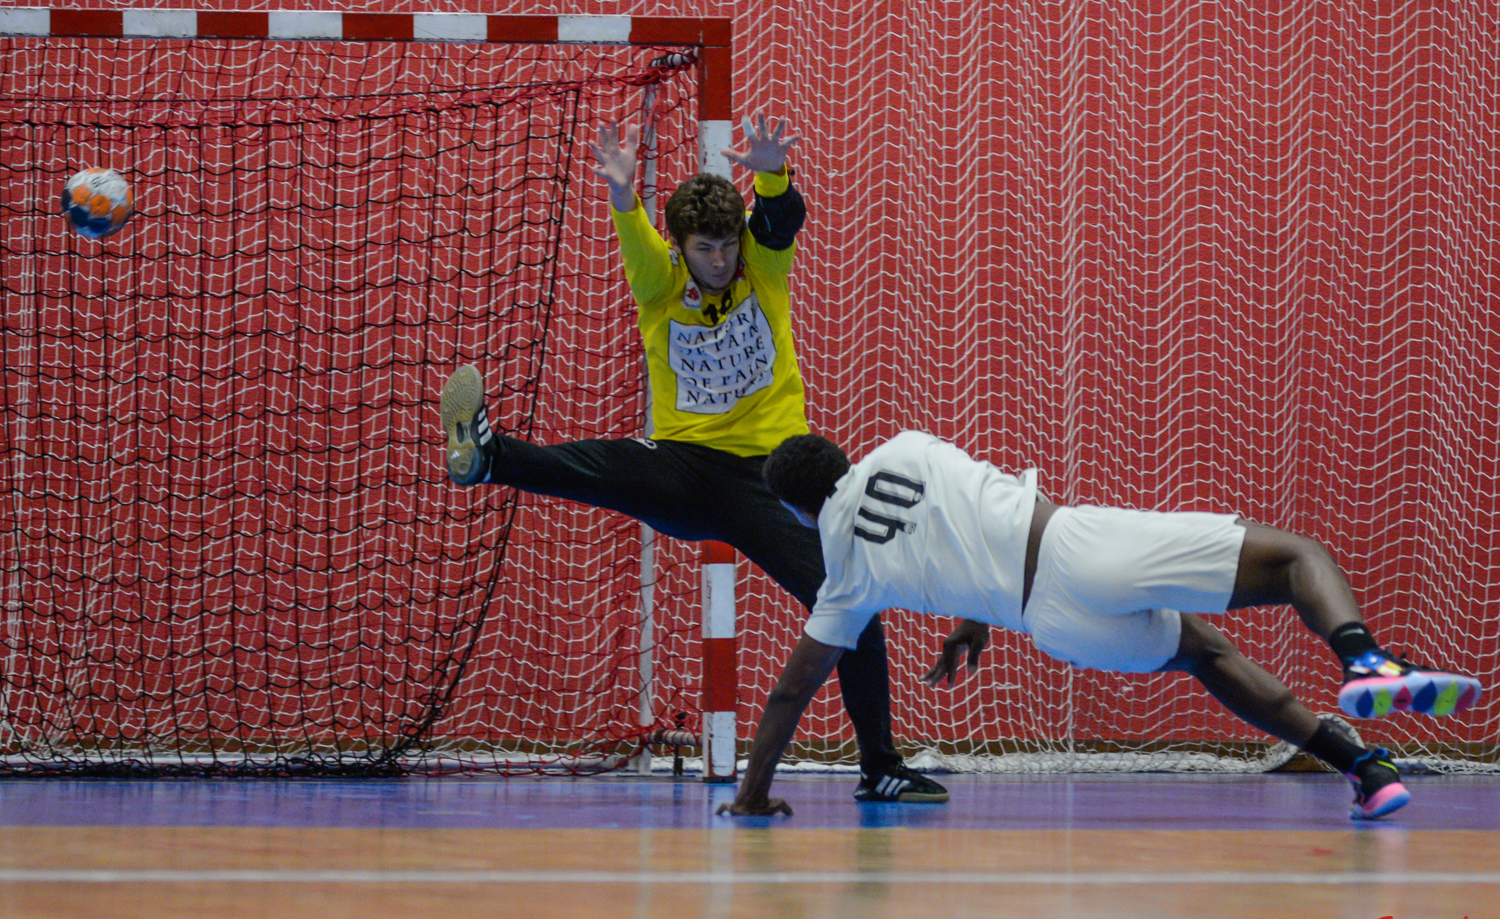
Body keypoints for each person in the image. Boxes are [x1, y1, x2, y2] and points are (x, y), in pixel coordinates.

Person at [439, 114, 946, 802]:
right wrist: (624, 194)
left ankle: (880, 766)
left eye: (727, 246)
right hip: (687, 467)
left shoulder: (762, 265)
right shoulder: (659, 281)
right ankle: (488, 457)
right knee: (606, 464)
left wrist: (773, 175)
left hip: (772, 477)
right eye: (705, 248)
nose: (719, 261)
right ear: (678, 246)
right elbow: (634, 232)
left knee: (852, 602)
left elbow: (783, 220)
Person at [718, 430, 1483, 818]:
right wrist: (973, 615)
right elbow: (966, 520)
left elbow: (790, 693)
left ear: (798, 510)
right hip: (1075, 547)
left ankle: (1365, 771)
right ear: (842, 459)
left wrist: (753, 793)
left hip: (1051, 624)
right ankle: (1364, 659)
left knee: (1206, 655)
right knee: (1295, 558)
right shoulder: (905, 448)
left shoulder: (844, 577)